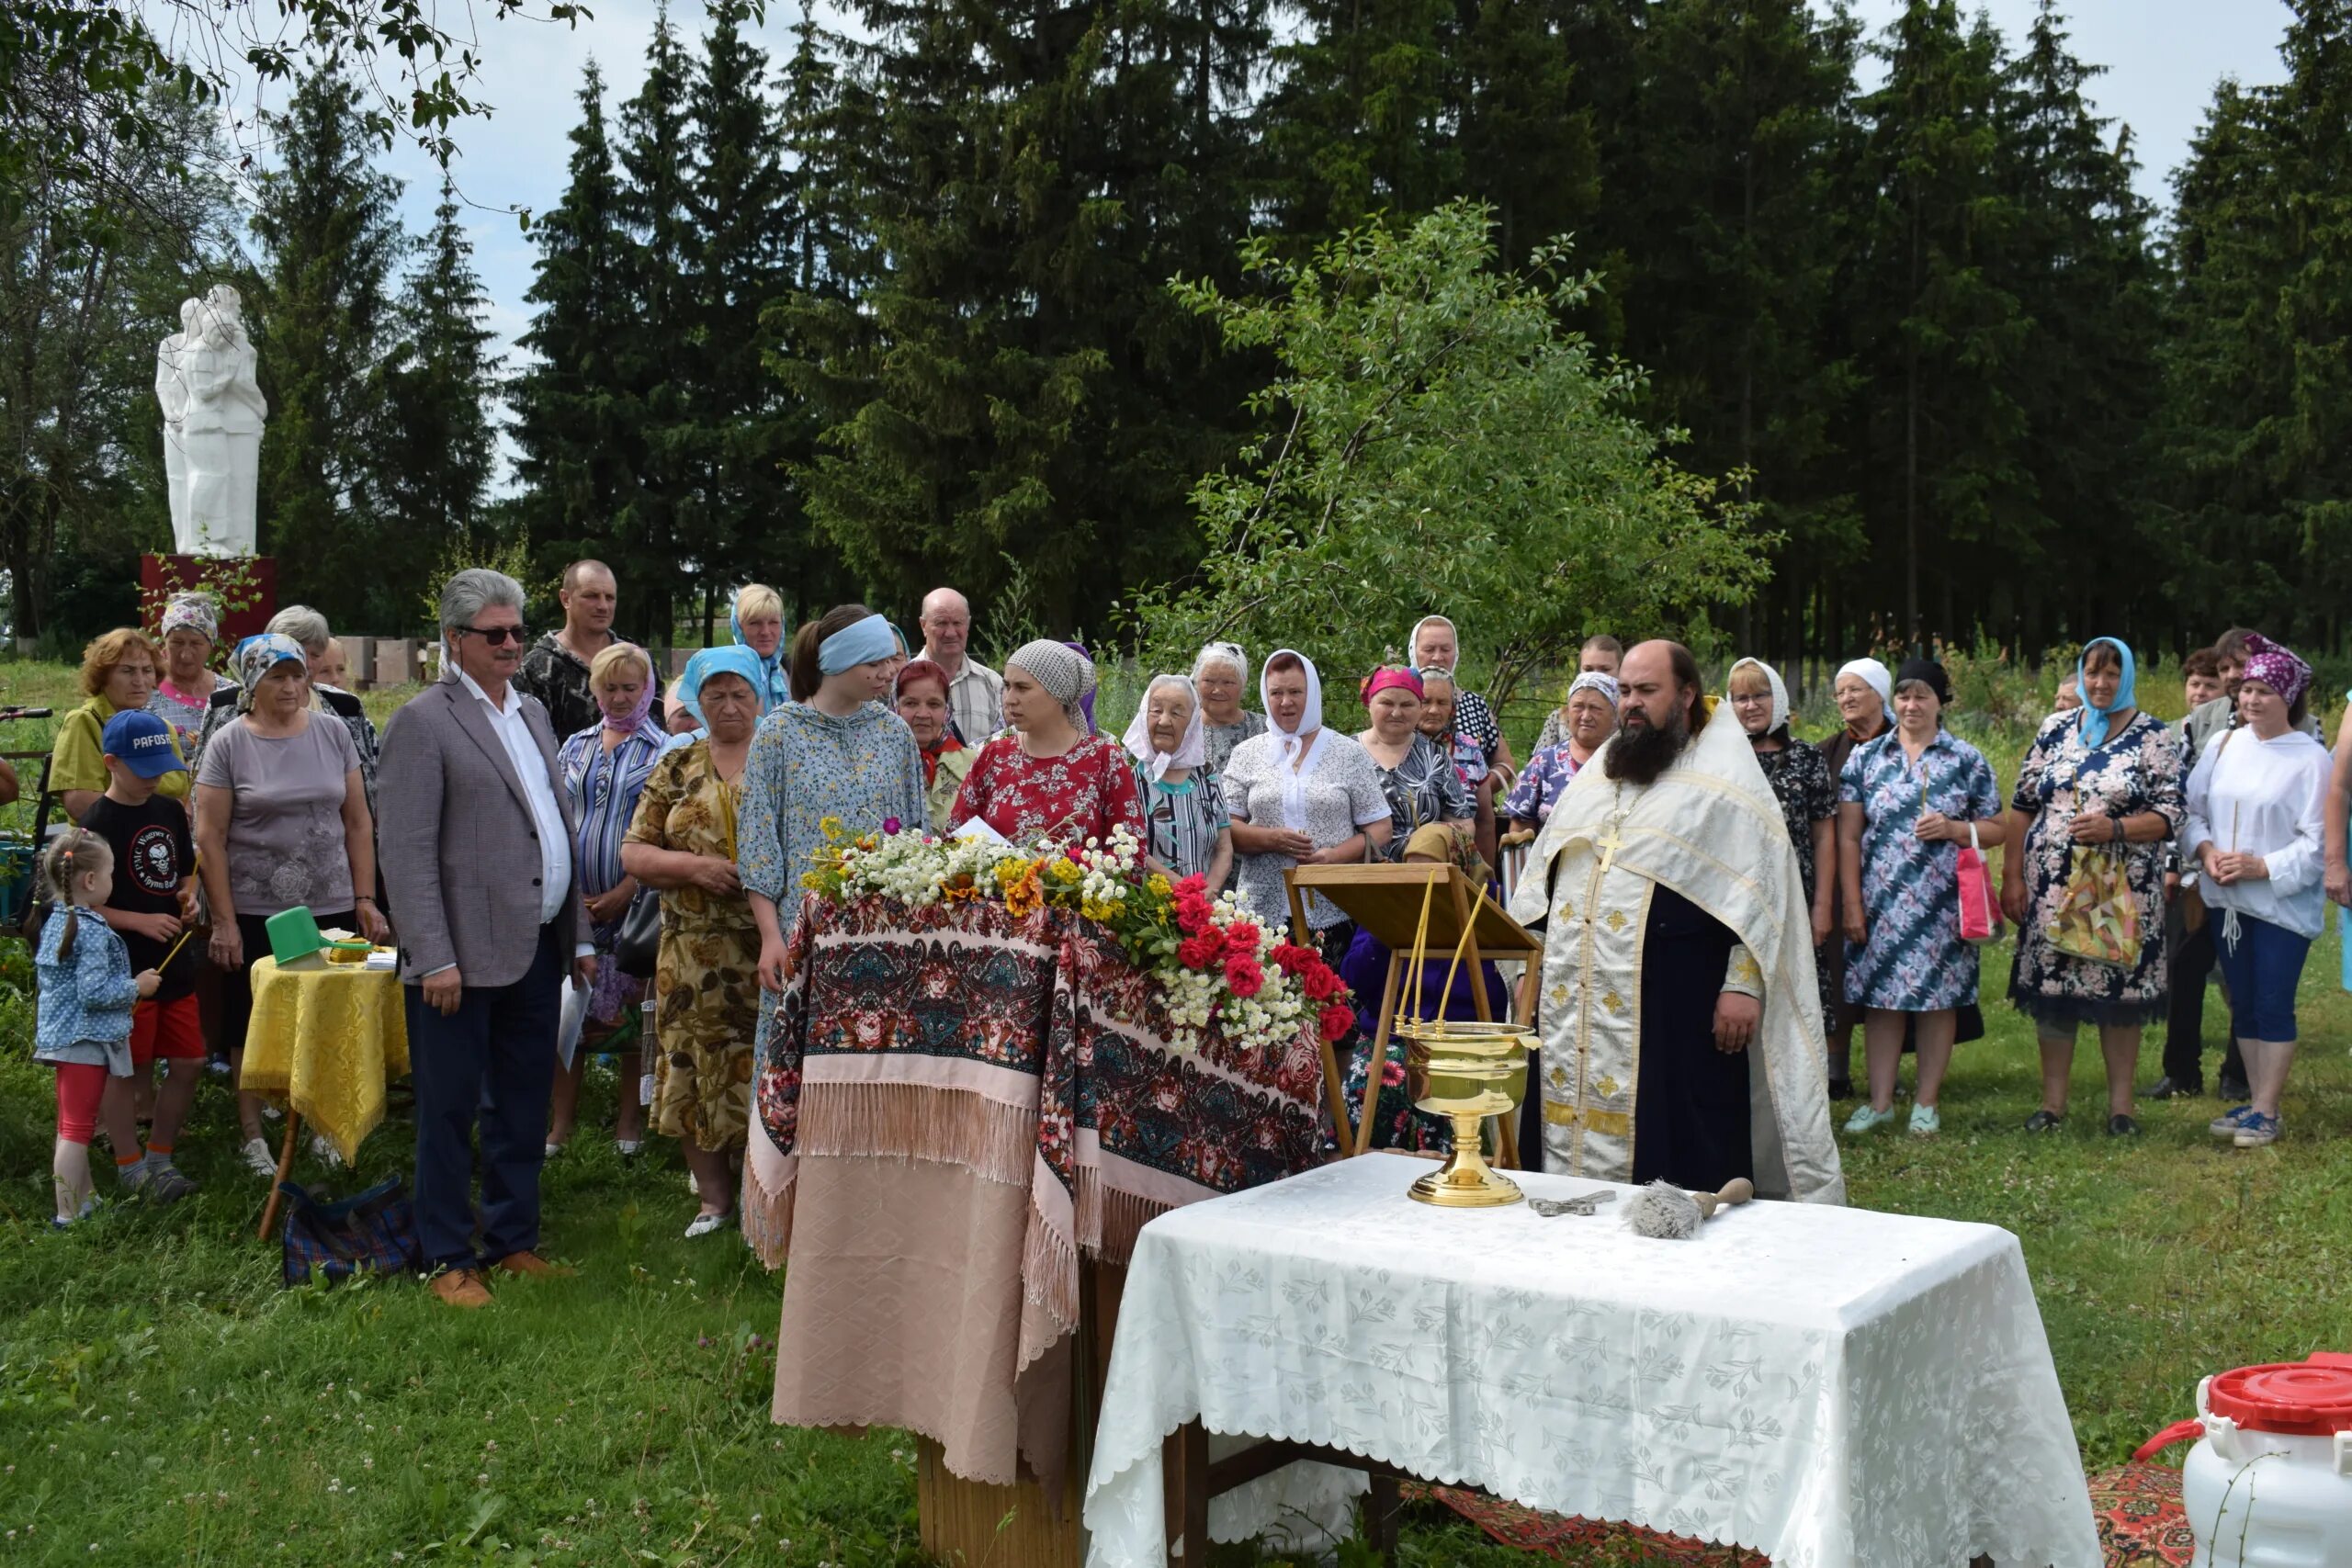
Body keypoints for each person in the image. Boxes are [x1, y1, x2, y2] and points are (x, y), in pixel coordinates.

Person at [1507, 640, 1841, 1201]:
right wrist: (1530, 962)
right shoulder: (1602, 773)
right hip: (1578, 1004)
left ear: (1686, 694)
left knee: (1676, 1151)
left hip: (1679, 1004)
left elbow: (1760, 897)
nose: (1631, 703)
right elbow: (1546, 876)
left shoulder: (1728, 782)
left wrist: (1743, 984)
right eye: (1626, 691)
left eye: (1646, 690)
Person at [378, 570, 596, 1307]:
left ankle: (512, 1239)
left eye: (516, 631)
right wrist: (432, 953)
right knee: (447, 1107)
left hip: (535, 945)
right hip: (459, 959)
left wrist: (581, 932)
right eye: (494, 634)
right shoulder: (422, 722)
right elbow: (404, 853)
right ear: (454, 640)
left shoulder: (531, 712)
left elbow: (555, 828)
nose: (511, 644)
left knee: (523, 1099)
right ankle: (445, 1254)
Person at [196, 634, 387, 1176]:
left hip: (329, 904)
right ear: (251, 683)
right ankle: (254, 1133)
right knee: (250, 1019)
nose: (290, 686)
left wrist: (365, 899)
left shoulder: (332, 733)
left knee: (324, 1013)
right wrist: (225, 922)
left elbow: (358, 821)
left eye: (297, 675)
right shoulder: (229, 743)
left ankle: (321, 1121)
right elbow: (209, 836)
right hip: (258, 907)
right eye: (277, 676)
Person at [2002, 638, 2185, 1136]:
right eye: (2091, 673)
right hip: (2051, 891)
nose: (2100, 684)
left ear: (2125, 677)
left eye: (2110, 674)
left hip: (2121, 891)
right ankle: (2052, 1105)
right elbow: (2022, 805)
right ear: (2079, 676)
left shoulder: (2153, 737)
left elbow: (2172, 814)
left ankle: (2121, 1109)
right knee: (2054, 994)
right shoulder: (2055, 729)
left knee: (2118, 997)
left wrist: (2118, 829)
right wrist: (2012, 875)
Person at [622, 647, 765, 1238]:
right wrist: (692, 869)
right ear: (697, 702)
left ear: (761, 698)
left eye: (740, 695)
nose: (729, 707)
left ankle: (767, 1194)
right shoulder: (679, 765)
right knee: (694, 1063)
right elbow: (633, 850)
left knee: (761, 1065)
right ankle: (713, 1199)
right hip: (690, 949)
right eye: (715, 696)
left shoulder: (780, 759)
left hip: (766, 946)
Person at [1836, 658, 2005, 1138]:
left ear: (1940, 702)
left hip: (1942, 904)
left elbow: (1997, 829)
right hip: (1880, 902)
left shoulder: (1965, 760)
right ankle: (1880, 1102)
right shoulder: (1866, 759)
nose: (1911, 705)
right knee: (1881, 1004)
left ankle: (1926, 1103)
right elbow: (1848, 837)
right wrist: (1852, 904)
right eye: (1904, 696)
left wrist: (1955, 829)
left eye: (1922, 696)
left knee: (1938, 1002)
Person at [2184, 635, 2329, 1149]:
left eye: (2263, 691)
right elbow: (2193, 812)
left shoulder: (2311, 759)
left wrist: (2259, 866)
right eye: (2246, 689)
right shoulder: (2225, 745)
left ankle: (2268, 1110)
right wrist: (2206, 854)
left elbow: (2318, 844)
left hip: (2279, 907)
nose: (2250, 699)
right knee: (2243, 1003)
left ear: (2287, 698)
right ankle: (2255, 1100)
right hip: (2228, 903)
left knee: (2272, 1002)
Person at [548, 642, 669, 1156]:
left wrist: (630, 888)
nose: (619, 698)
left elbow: (667, 834)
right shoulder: (574, 745)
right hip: (573, 903)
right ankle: (560, 1123)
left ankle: (629, 1122)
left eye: (630, 687)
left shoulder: (665, 751)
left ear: (648, 690)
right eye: (609, 687)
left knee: (630, 1014)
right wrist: (567, 891)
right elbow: (554, 819)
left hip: (634, 905)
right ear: (594, 689)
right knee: (568, 1014)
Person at [80, 712, 202, 1201]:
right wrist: (139, 921)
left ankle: (161, 1158)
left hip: (174, 961)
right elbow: (79, 903)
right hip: (125, 969)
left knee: (191, 1060)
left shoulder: (170, 810)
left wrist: (188, 895)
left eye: (160, 766)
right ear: (111, 763)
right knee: (126, 1070)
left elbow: (184, 870)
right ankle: (129, 1166)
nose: (153, 777)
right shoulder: (95, 825)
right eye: (143, 767)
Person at [1222, 650, 1393, 957]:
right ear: (1265, 695)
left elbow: (1380, 828)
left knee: (1332, 1000)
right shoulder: (1246, 753)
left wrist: (1335, 856)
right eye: (1276, 693)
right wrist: (1271, 839)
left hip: (1335, 907)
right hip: (1261, 912)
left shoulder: (1347, 752)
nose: (1285, 702)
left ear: (1311, 693)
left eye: (1295, 692)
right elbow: (1224, 829)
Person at [33, 829, 160, 1227]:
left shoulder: (60, 920)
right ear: (90, 881)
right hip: (84, 1041)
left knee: (71, 1124)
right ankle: (68, 1215)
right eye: (110, 874)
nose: (112, 882)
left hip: (65, 1039)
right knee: (75, 1130)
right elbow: (92, 992)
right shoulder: (87, 929)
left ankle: (85, 1200)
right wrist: (135, 987)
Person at [1728, 659, 1838, 1032]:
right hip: (1733, 893)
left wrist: (1822, 905)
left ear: (1779, 698)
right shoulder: (1721, 760)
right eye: (1740, 697)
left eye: (1760, 695)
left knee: (1794, 995)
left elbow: (1824, 834)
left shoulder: (1807, 758)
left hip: (1795, 893)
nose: (1751, 705)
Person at [948, 639, 1142, 847]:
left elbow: (1130, 852)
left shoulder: (1105, 759)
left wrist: (1066, 876)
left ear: (1058, 692)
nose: (1009, 699)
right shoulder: (993, 755)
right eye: (1007, 686)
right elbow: (955, 837)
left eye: (1022, 688)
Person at [197, 606, 381, 817]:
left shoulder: (344, 706)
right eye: (298, 651)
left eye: (316, 654)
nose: (308, 663)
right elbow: (203, 793)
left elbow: (369, 786)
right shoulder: (225, 704)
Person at [2151, 647, 2230, 1102]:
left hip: (2229, 866)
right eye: (2194, 685)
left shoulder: (2235, 735)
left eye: (2210, 685)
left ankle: (2240, 1069)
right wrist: (2171, 867)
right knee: (2183, 965)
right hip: (2184, 865)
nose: (2200, 693)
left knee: (2233, 975)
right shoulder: (2172, 734)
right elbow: (2172, 807)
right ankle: (2182, 1072)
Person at [1817, 657, 1894, 1098]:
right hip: (1840, 882)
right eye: (1840, 691)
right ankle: (1836, 1073)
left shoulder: (1904, 745)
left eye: (1855, 689)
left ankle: (1893, 1075)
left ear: (1880, 695)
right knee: (1837, 975)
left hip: (1895, 879)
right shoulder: (1828, 751)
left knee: (1895, 978)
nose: (1845, 698)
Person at [51, 629, 190, 821]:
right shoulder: (85, 722)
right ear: (103, 676)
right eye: (127, 670)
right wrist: (149, 825)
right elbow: (81, 804)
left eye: (147, 670)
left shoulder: (163, 727)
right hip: (103, 843)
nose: (139, 681)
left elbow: (183, 796)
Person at [518, 559, 663, 743]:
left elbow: (660, 728)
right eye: (591, 596)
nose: (603, 606)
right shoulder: (537, 669)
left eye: (609, 597)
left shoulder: (637, 660)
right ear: (565, 598)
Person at [1356, 667, 1476, 872]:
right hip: (1354, 881)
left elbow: (1464, 824)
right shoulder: (1344, 753)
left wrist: (1431, 842)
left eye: (1407, 704)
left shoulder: (1436, 757)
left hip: (1424, 881)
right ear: (1369, 703)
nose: (1396, 712)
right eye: (1386, 703)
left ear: (1419, 707)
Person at [1121, 673, 1232, 888]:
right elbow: (1125, 844)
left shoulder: (1207, 774)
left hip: (1201, 909)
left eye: (1177, 712)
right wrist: (1181, 887)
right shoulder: (1126, 771)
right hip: (1144, 912)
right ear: (1144, 714)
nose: (1163, 720)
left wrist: (1208, 892)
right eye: (1156, 710)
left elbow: (1224, 848)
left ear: (1192, 722)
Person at [1508, 671, 1617, 831]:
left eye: (1595, 708)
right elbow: (1520, 831)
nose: (1586, 716)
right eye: (1578, 707)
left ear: (1614, 715)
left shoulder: (1627, 761)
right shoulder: (1544, 762)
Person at [1408, 615, 1514, 772]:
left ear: (1456, 653)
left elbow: (1505, 764)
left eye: (1445, 649)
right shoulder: (1398, 701)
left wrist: (1473, 789)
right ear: (1413, 651)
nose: (1438, 657)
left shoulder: (1475, 705)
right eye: (1429, 649)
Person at [147, 592, 235, 753]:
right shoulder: (145, 691)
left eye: (196, 643)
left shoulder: (232, 694)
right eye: (177, 642)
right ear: (164, 643)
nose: (185, 655)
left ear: (211, 645)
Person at [916, 586, 1003, 744]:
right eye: (941, 623)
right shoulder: (901, 682)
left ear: (968, 624)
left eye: (957, 622)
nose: (950, 632)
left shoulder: (993, 683)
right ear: (923, 626)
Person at [896, 659, 974, 829]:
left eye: (934, 704)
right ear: (896, 707)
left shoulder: (974, 765)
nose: (923, 714)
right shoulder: (878, 766)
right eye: (911, 703)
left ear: (947, 710)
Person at [1532, 636, 1624, 752]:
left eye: (1604, 670)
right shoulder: (1558, 719)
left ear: (1621, 671)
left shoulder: (1631, 722)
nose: (1595, 676)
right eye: (1588, 669)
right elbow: (1538, 764)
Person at [1193, 641, 1266, 776]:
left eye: (1228, 682)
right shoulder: (1183, 728)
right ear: (1197, 682)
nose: (1217, 690)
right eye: (1209, 681)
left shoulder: (1265, 729)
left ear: (1242, 686)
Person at [730, 583, 792, 710]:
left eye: (773, 622)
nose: (765, 632)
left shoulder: (791, 673)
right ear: (739, 627)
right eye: (755, 623)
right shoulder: (727, 675)